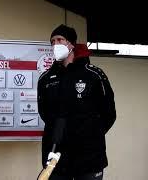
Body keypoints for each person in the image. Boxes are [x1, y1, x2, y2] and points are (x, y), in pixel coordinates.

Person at [37, 24, 116, 180]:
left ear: (71, 44)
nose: (55, 45)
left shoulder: (93, 75)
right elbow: (44, 113)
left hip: (89, 157)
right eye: (52, 42)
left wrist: (90, 134)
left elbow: (109, 114)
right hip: (56, 158)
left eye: (60, 40)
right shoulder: (45, 78)